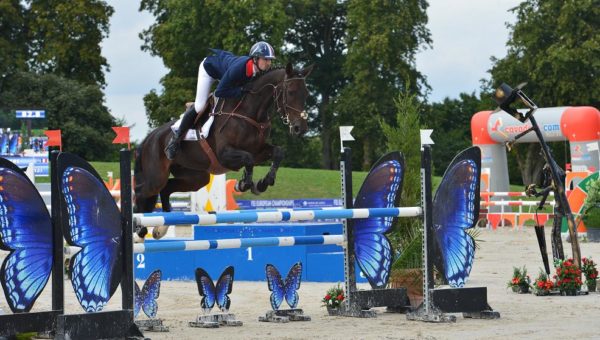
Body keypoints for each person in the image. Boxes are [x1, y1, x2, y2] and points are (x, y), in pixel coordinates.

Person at [164, 41, 276, 160]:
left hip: (225, 71)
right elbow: (219, 92)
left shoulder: (258, 70)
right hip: (209, 70)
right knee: (199, 106)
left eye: (270, 60)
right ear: (255, 58)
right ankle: (175, 140)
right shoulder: (239, 69)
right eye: (266, 59)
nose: (269, 63)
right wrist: (241, 90)